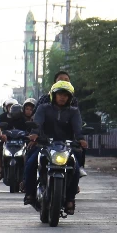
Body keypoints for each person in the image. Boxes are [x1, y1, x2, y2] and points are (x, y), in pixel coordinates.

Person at [23, 81, 88, 215]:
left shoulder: (74, 111)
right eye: (59, 94)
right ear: (53, 95)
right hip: (44, 145)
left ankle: (70, 199)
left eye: (65, 95)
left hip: (66, 147)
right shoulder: (43, 108)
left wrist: (81, 139)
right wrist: (35, 134)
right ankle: (29, 193)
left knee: (75, 169)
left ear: (70, 97)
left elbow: (77, 127)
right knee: (30, 163)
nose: (62, 97)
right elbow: (38, 123)